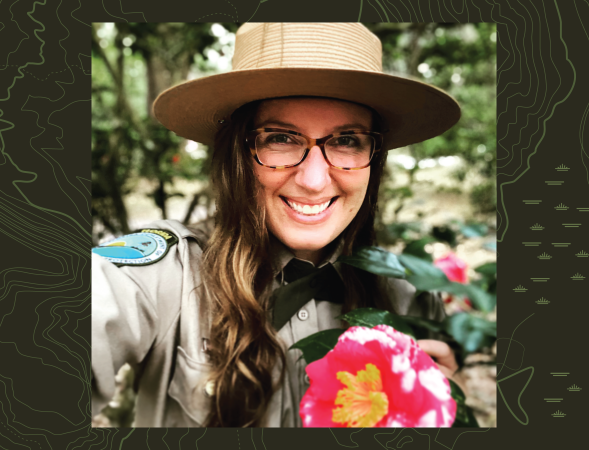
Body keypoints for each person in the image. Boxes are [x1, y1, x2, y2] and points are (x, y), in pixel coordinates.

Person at [92, 22, 463, 428]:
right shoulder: (168, 276)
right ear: (238, 153)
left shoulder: (409, 296)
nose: (314, 180)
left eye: (347, 140)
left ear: (374, 159)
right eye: (281, 139)